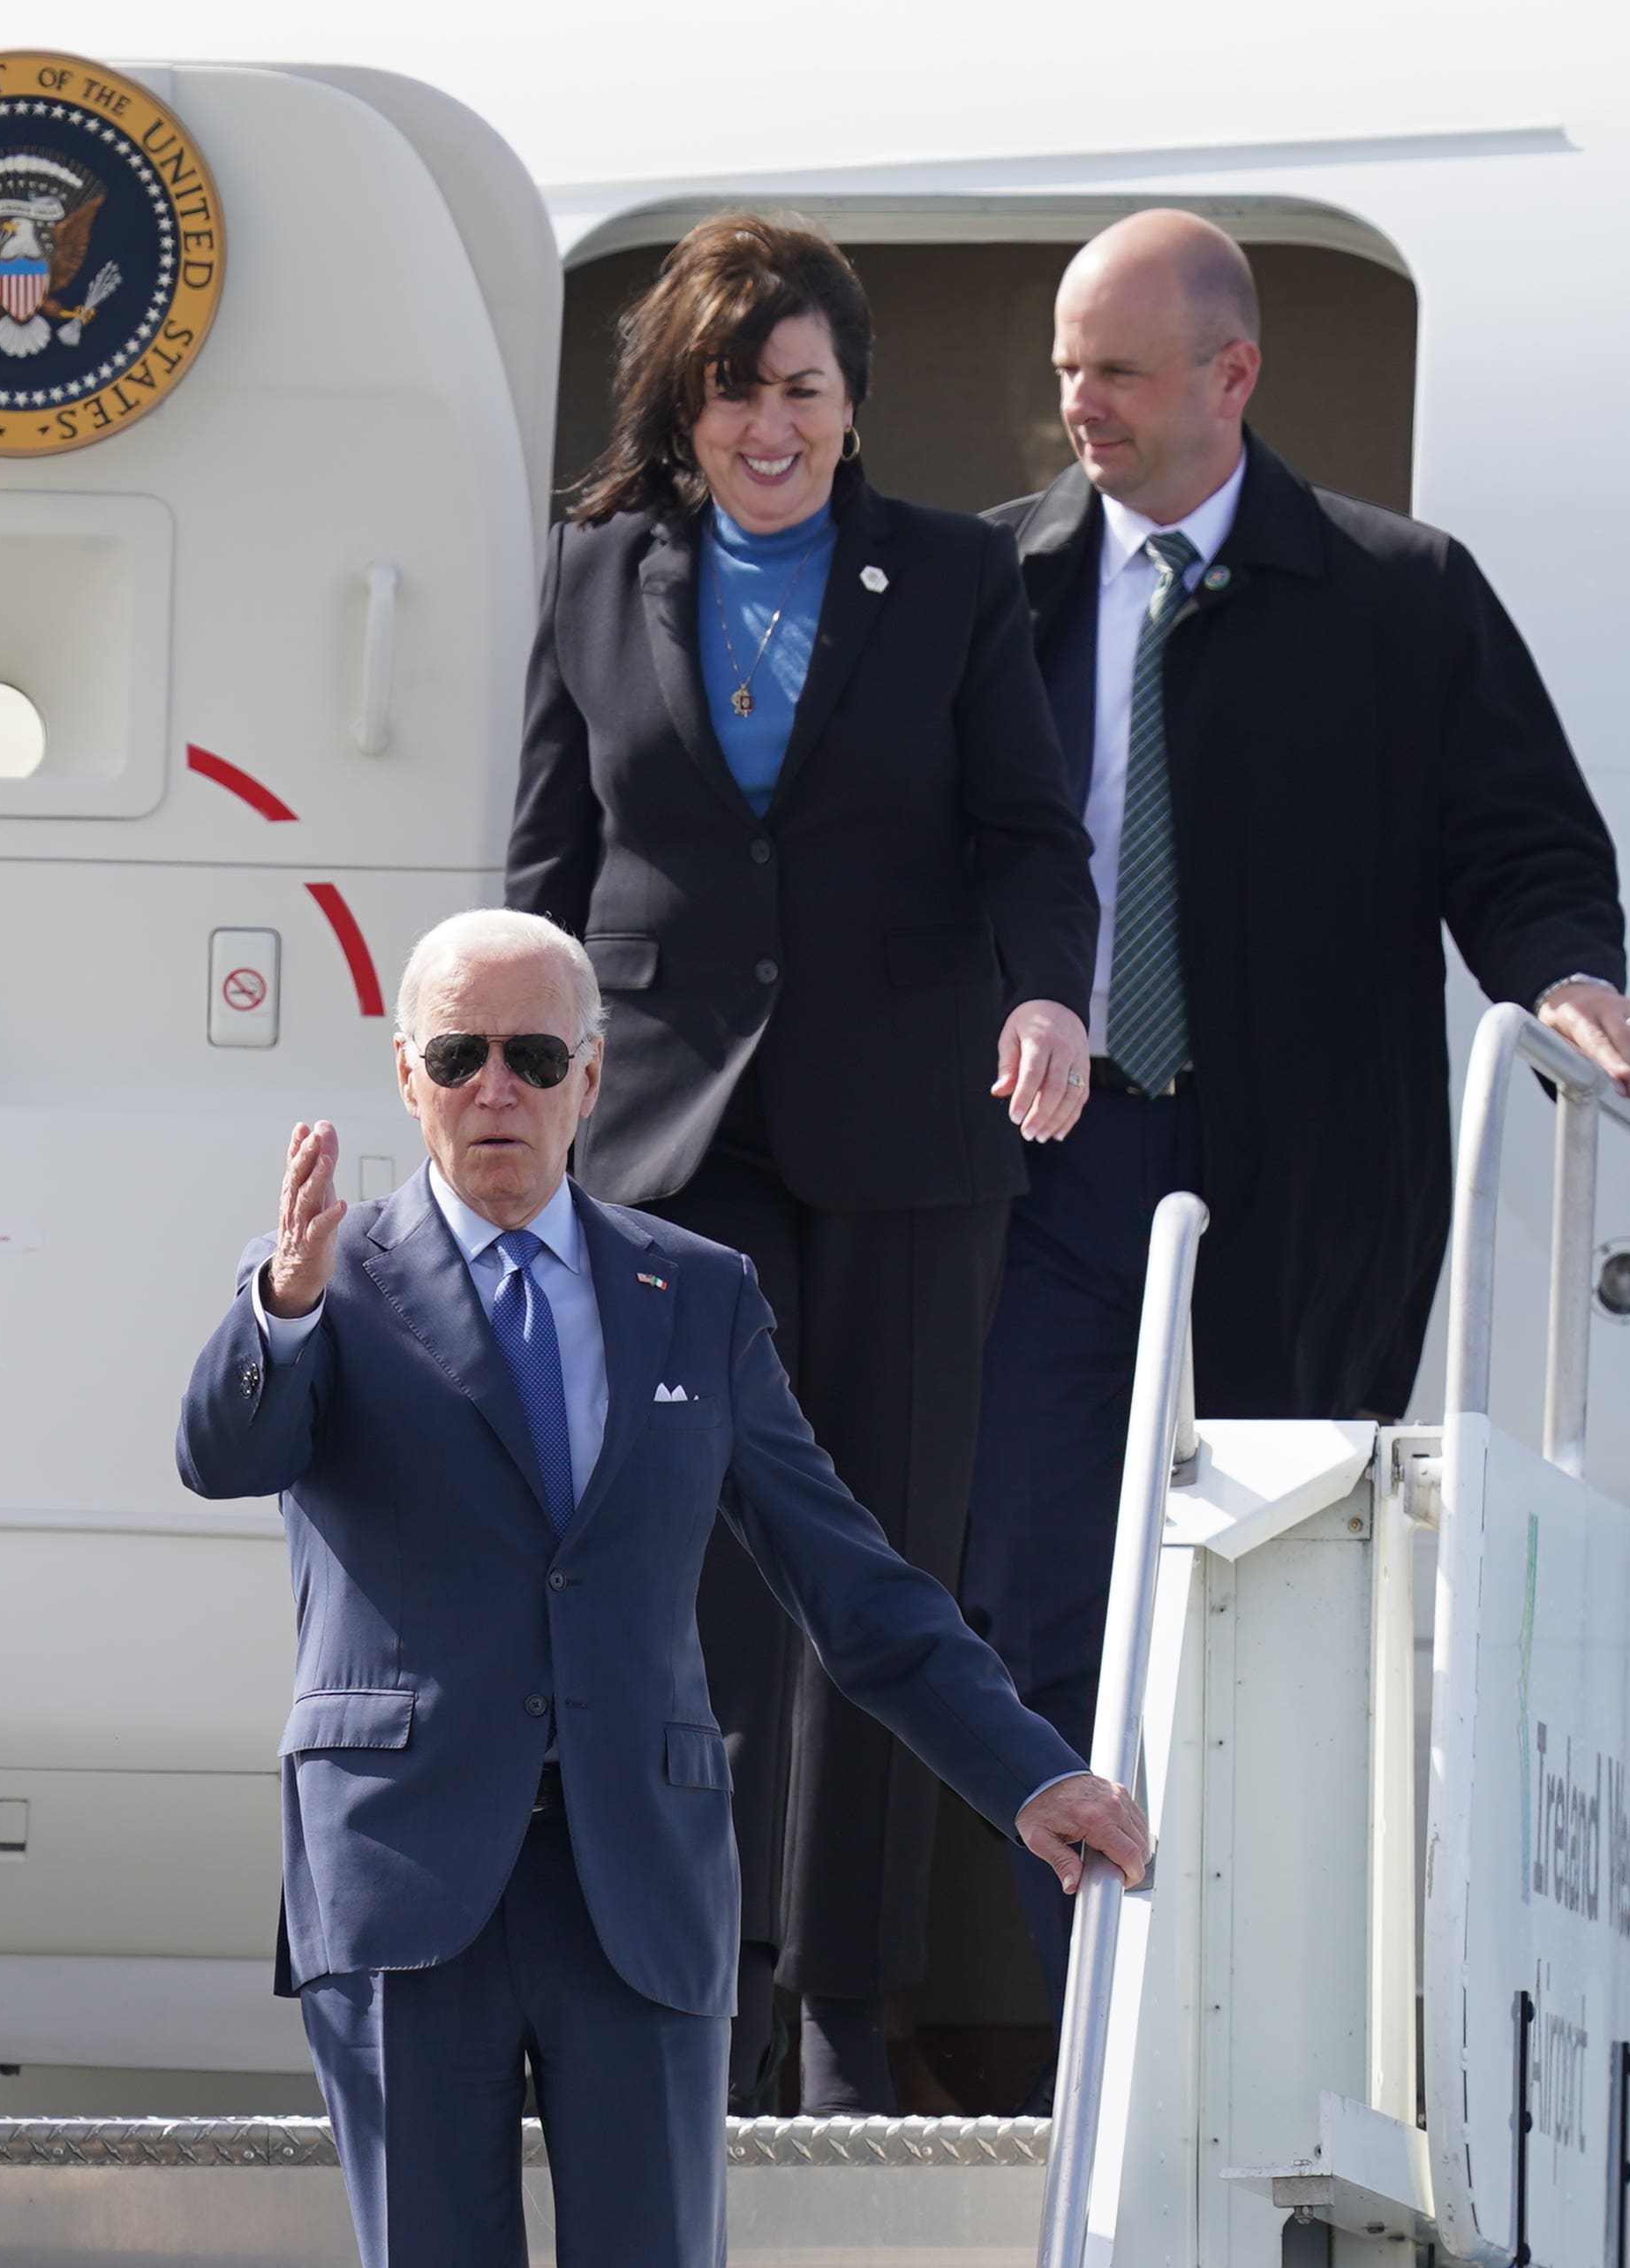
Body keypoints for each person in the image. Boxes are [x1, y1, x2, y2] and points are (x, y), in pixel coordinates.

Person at [175, 910, 1147, 2268]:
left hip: (636, 1885)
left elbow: (850, 1580)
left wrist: (1027, 1773)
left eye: (537, 1057)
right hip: (409, 1893)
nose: (500, 1095)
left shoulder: (693, 1293)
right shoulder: (330, 1285)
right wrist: (272, 1297)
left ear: (598, 1078)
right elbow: (221, 1447)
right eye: (460, 1062)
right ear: (407, 1079)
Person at [971, 210, 1630, 1955]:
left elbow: (1520, 851)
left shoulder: (1398, 597)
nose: (1083, 406)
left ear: (1236, 373)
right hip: (1046, 1172)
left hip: (1308, 1175)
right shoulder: (992, 590)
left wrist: (1569, 980)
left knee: (1282, 1579)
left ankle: (1252, 1983)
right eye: (1067, 367)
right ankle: (1093, 2014)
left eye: (1119, 371)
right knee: (1038, 1585)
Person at [508, 214, 1098, 2113]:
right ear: (679, 406)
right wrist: (509, 1097)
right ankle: (690, 1995)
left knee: (879, 1585)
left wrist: (1049, 1002)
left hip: (906, 1141)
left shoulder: (948, 577)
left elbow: (1028, 833)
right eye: (733, 389)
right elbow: (542, 868)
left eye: (802, 389)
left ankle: (844, 2014)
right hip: (666, 1139)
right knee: (680, 1576)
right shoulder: (595, 569)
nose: (769, 425)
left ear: (853, 405)